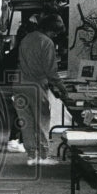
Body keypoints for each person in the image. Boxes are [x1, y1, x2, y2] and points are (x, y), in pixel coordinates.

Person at [13, 13, 68, 166]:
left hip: (19, 84)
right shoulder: (47, 42)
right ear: (51, 30)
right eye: (55, 33)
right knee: (42, 121)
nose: (55, 36)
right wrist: (63, 89)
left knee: (26, 121)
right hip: (36, 86)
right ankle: (43, 155)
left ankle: (31, 156)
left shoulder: (27, 38)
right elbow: (51, 72)